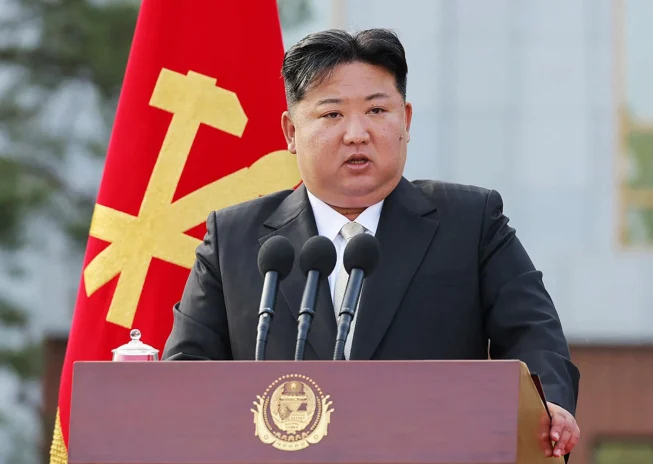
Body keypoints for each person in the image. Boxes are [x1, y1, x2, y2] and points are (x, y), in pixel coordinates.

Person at [163, 28, 580, 459]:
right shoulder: (235, 239)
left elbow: (535, 335)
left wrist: (547, 407)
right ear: (290, 132)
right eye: (332, 114)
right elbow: (186, 373)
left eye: (377, 110)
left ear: (406, 121)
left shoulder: (471, 222)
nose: (357, 134)